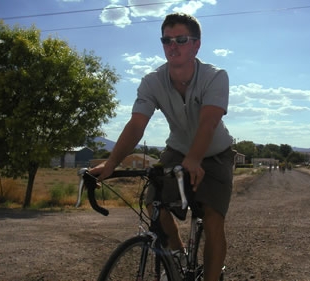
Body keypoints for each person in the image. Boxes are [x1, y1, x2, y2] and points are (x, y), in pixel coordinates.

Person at [91, 13, 235, 281]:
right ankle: (177, 261)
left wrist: (195, 158)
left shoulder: (215, 77)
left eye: (181, 39)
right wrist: (111, 164)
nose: (173, 46)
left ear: (196, 45)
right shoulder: (152, 81)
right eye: (167, 40)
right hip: (178, 150)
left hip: (215, 154)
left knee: (213, 218)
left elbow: (209, 122)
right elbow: (136, 125)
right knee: (153, 202)